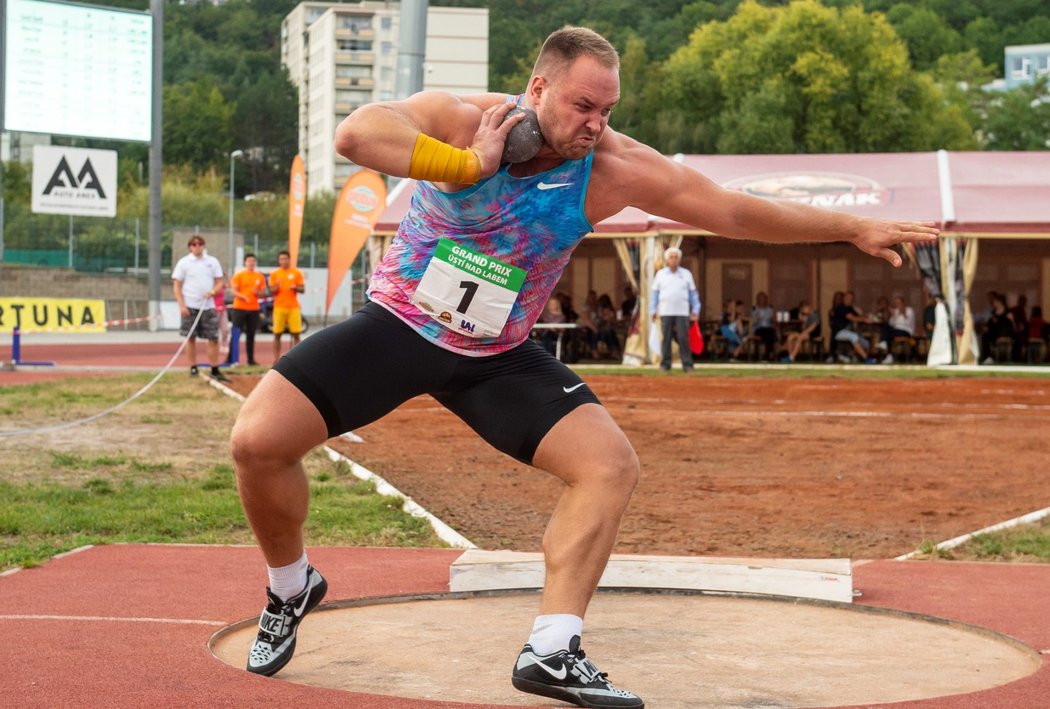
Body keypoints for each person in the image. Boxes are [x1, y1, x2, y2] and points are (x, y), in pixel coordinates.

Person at [229, 26, 938, 708]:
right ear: (538, 87)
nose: (595, 123)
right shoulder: (464, 119)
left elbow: (732, 210)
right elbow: (356, 135)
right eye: (582, 105)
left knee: (609, 464)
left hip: (496, 356)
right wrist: (469, 165)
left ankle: (552, 646)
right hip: (400, 328)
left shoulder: (615, 169)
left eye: (607, 110)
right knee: (257, 441)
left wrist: (851, 226)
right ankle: (292, 585)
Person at [171, 234, 229, 383]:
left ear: (203, 245)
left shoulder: (212, 262)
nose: (197, 247)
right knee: (190, 337)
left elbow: (219, 282)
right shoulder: (184, 263)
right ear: (190, 247)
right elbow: (177, 285)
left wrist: (213, 292)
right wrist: (182, 305)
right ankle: (193, 367)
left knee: (213, 337)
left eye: (200, 244)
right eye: (194, 244)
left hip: (208, 306)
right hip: (190, 306)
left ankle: (214, 369)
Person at [650, 246, 700, 371]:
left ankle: (687, 365)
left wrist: (696, 310)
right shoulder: (660, 274)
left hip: (682, 311)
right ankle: (665, 364)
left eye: (676, 257)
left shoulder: (686, 274)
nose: (674, 260)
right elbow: (654, 295)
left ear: (679, 259)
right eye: (671, 257)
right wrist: (652, 309)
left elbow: (693, 294)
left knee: (683, 338)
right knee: (666, 338)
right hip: (665, 311)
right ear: (667, 259)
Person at [230, 253, 268, 366]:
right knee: (236, 333)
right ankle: (232, 359)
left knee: (251, 334)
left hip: (253, 309)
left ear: (255, 262)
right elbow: (233, 291)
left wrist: (258, 293)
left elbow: (263, 292)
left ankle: (250, 360)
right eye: (249, 261)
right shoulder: (239, 275)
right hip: (239, 308)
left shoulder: (259, 276)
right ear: (245, 262)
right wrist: (243, 296)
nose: (251, 263)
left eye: (253, 261)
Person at [268, 249, 305, 362]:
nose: (283, 261)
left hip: (293, 307)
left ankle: (297, 359)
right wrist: (277, 286)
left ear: (289, 260)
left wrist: (296, 288)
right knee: (277, 334)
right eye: (281, 259)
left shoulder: (296, 273)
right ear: (279, 260)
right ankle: (276, 359)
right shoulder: (274, 274)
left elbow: (303, 289)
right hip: (279, 306)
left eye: (285, 259)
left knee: (296, 333)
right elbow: (271, 291)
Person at [831, 290, 874, 363]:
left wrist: (862, 314)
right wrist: (864, 319)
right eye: (847, 297)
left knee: (866, 343)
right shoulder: (840, 307)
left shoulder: (850, 308)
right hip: (838, 332)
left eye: (851, 298)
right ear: (844, 298)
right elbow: (851, 318)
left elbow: (860, 317)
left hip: (848, 332)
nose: (849, 300)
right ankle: (865, 358)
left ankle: (848, 355)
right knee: (853, 336)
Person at [880, 295, 915, 364]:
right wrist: (893, 316)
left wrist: (902, 312)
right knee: (886, 328)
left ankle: (884, 343)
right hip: (895, 331)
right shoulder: (896, 312)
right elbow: (891, 324)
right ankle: (889, 355)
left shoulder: (909, 310)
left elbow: (908, 321)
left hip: (905, 331)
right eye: (896, 303)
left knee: (888, 335)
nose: (897, 304)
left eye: (899, 303)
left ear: (903, 303)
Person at [748, 291, 776, 360]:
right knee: (769, 332)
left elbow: (773, 322)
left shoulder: (769, 309)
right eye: (759, 298)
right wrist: (756, 319)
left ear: (765, 299)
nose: (761, 300)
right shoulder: (754, 309)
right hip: (758, 329)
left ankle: (767, 354)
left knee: (771, 331)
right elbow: (752, 323)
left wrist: (772, 319)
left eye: (762, 298)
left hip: (768, 329)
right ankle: (769, 354)